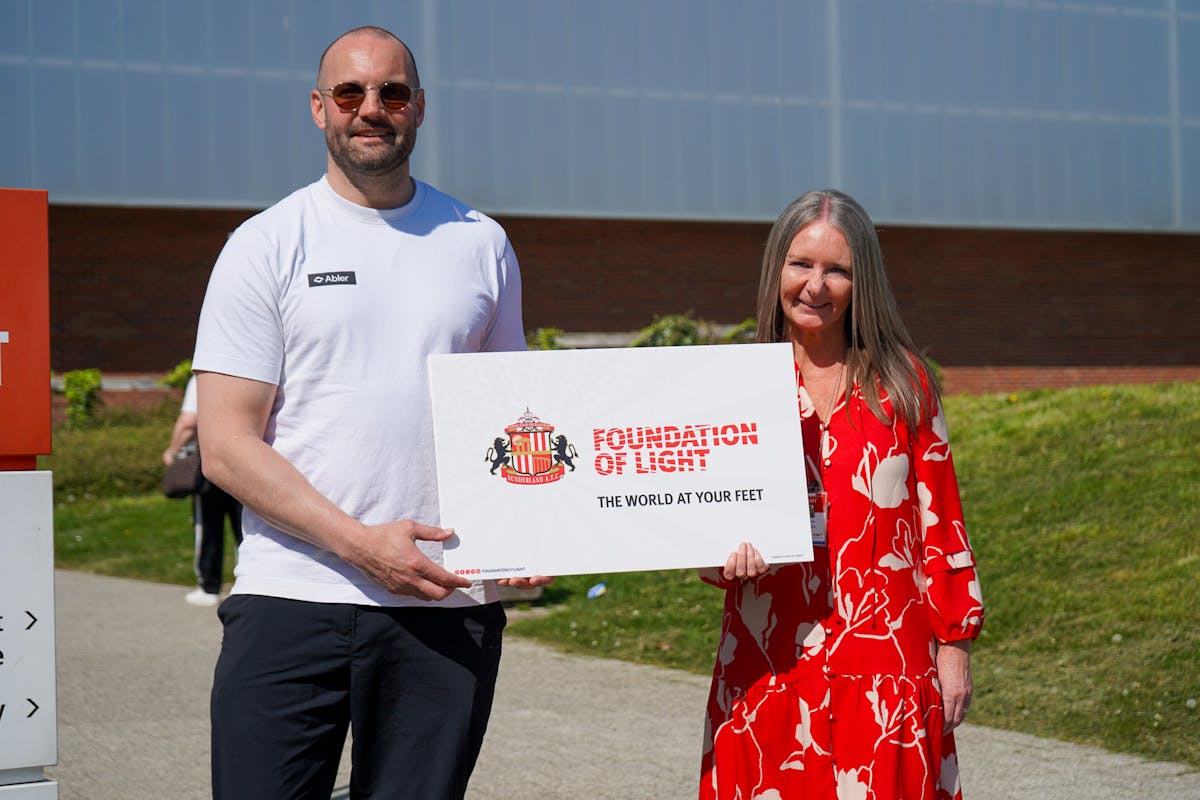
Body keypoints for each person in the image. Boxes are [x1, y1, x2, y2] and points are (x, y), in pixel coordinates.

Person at [191, 26, 549, 800]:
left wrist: (533, 528)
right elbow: (223, 445)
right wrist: (364, 548)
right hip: (292, 599)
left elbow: (514, 417)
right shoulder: (265, 245)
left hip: (444, 604)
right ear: (319, 109)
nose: (371, 109)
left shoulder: (480, 242)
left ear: (418, 107)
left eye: (391, 92)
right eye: (350, 93)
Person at [699, 190, 984, 799]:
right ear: (777, 267)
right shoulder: (735, 387)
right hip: (769, 662)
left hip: (889, 666)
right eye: (801, 264)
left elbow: (943, 523)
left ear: (864, 282)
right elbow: (703, 525)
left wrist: (954, 646)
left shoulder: (904, 386)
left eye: (837, 270)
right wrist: (716, 555)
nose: (816, 286)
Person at [161, 375, 243, 607]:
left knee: (208, 526)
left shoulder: (202, 377)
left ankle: (209, 586)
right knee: (247, 526)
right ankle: (247, 583)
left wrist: (172, 451)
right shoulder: (250, 374)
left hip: (213, 463)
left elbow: (188, 422)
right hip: (248, 462)